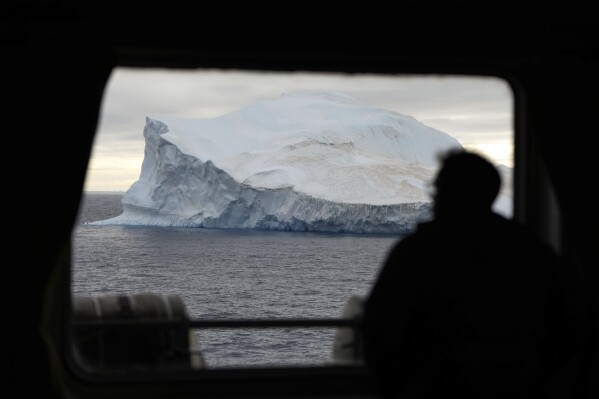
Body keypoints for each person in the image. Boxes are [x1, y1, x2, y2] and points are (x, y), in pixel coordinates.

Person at [362, 149, 580, 399]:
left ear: (454, 195)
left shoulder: (417, 254)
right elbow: (568, 328)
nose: (434, 199)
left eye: (439, 190)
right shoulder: (532, 254)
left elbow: (380, 329)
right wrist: (530, 379)